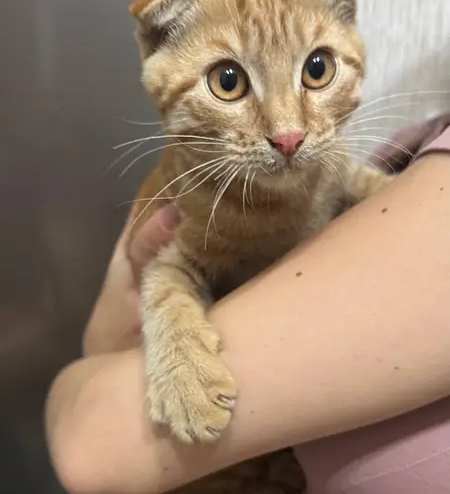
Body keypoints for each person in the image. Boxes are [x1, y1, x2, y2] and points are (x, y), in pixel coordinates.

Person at [45, 117, 450, 494]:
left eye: (316, 73)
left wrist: (96, 353)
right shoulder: (403, 149)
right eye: (229, 81)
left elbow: (91, 441)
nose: (288, 133)